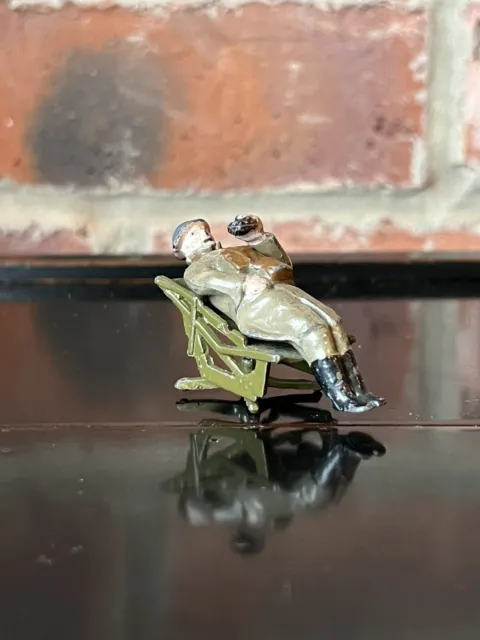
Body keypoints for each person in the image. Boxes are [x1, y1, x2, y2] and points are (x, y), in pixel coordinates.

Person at [171, 214, 385, 413]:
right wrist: (243, 282)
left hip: (284, 293)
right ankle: (342, 399)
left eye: (205, 229)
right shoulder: (196, 268)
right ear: (179, 251)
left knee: (333, 323)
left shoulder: (236, 250)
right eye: (194, 234)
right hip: (256, 306)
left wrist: (256, 238)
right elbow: (205, 281)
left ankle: (359, 392)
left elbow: (281, 265)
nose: (204, 234)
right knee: (313, 329)